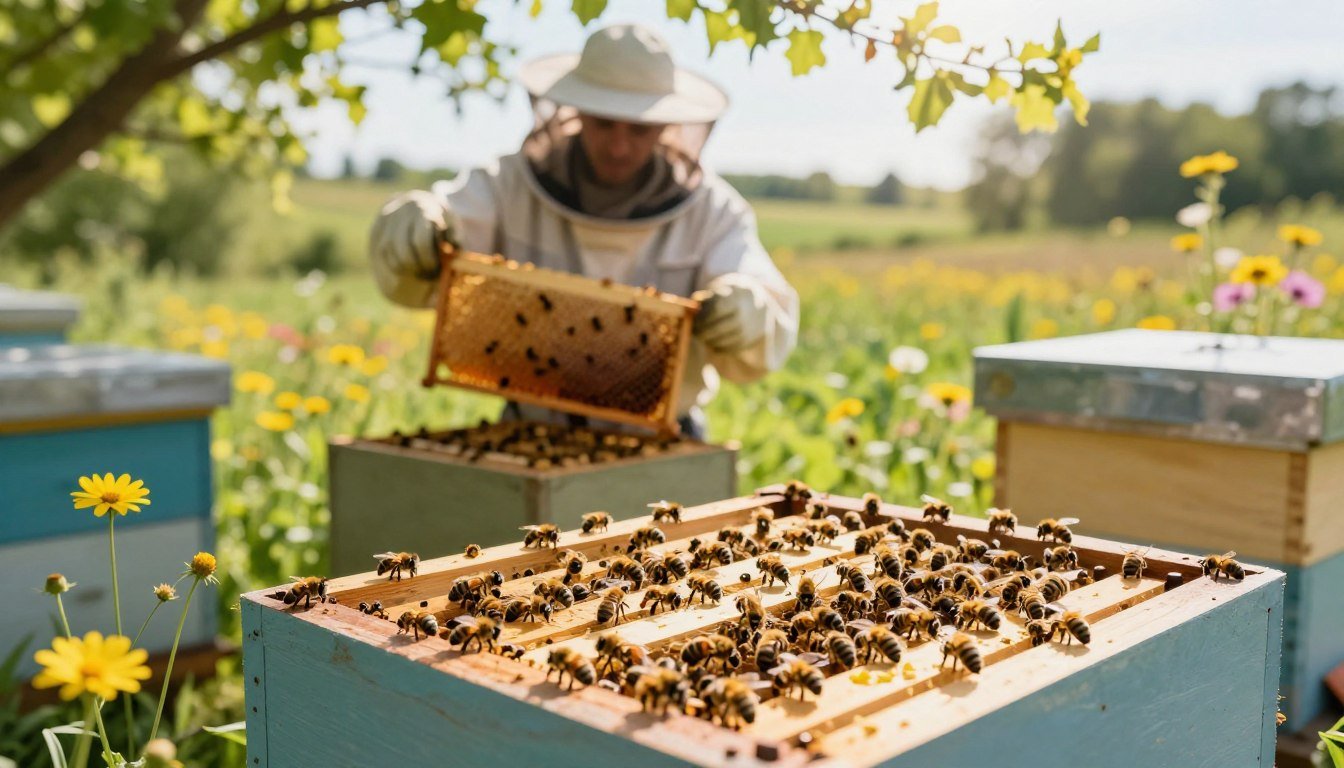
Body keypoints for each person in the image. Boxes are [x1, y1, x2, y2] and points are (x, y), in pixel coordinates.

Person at [369, 24, 799, 438]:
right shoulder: (508, 184)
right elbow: (436, 234)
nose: (618, 145)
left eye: (639, 129)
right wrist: (416, 225)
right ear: (577, 112)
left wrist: (747, 311)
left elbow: (760, 304)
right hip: (530, 428)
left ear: (668, 126)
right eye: (604, 122)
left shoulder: (713, 210)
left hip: (663, 438)